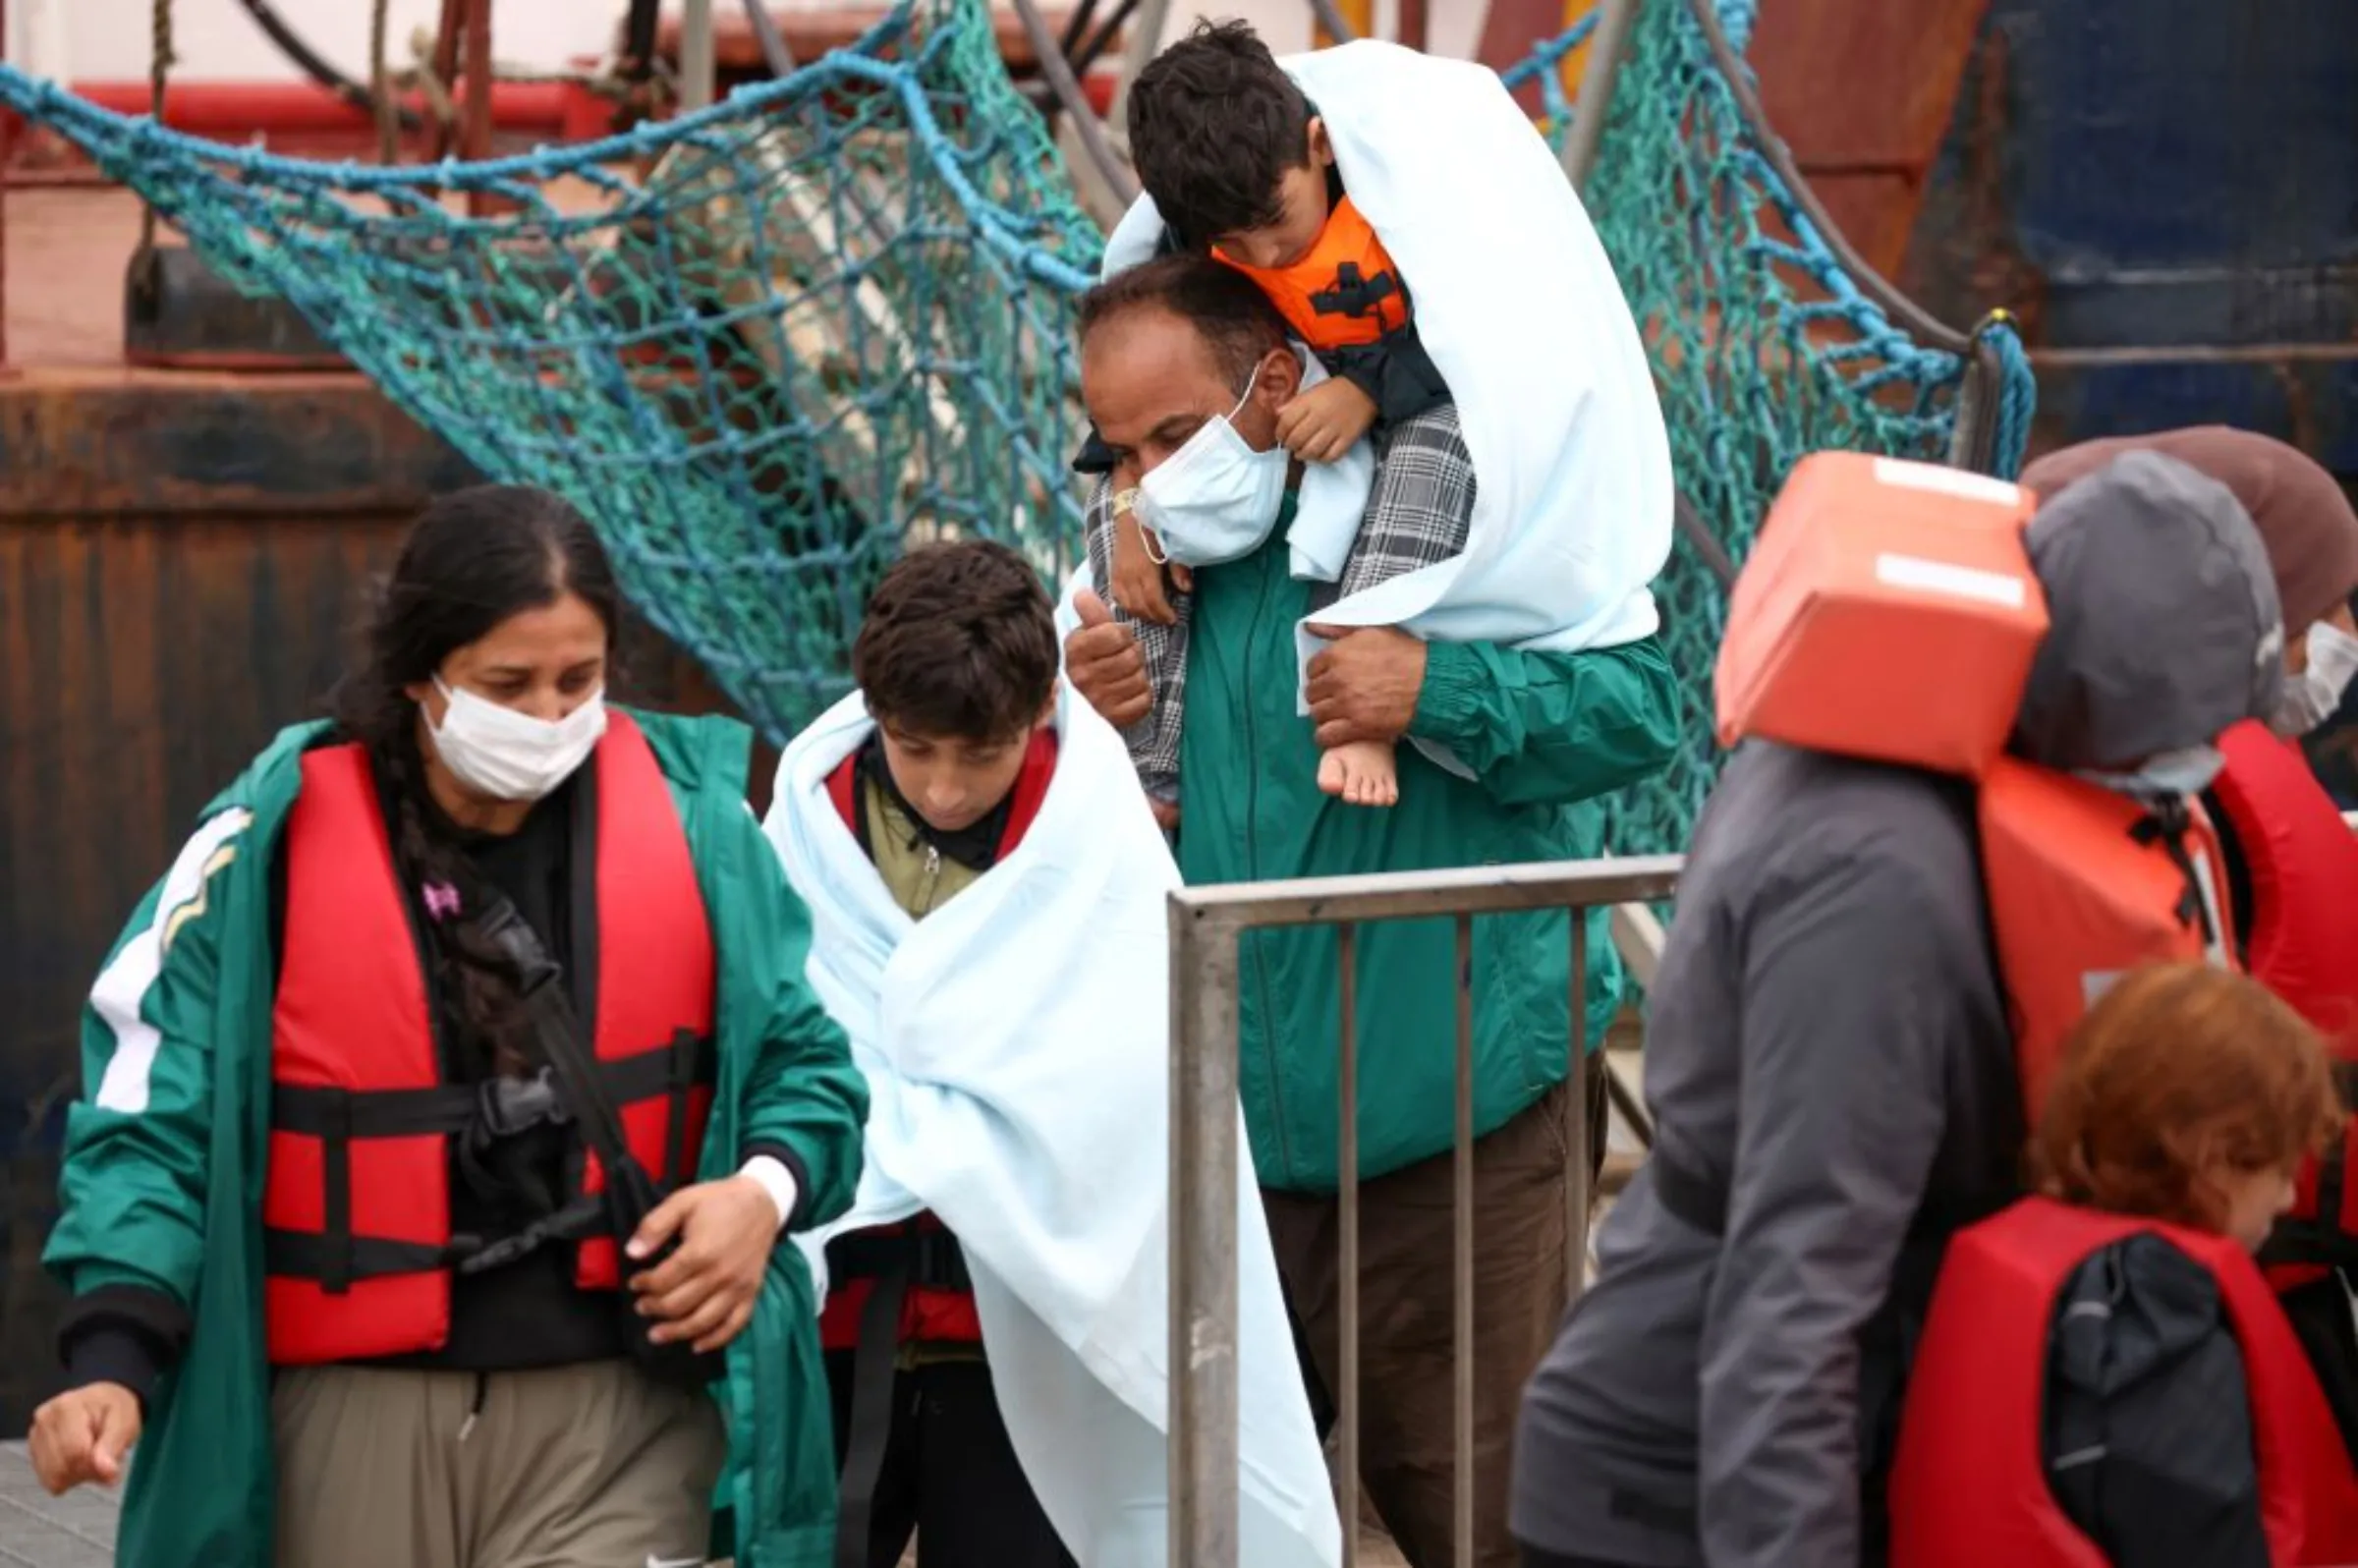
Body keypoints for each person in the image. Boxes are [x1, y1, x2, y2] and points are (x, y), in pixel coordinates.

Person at [26, 485, 869, 1568]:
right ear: (422, 673)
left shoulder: (702, 824)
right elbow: (152, 1114)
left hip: (623, 1424)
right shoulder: (260, 845)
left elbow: (811, 1066)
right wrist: (112, 1356)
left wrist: (764, 1193)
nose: (549, 716)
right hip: (346, 1421)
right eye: (507, 686)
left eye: (581, 680)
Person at [1511, 451, 2284, 1568]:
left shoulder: (1915, 760)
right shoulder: (1876, 875)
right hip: (1677, 1491)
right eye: (2199, 722)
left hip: (1825, 1437)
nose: (2202, 768)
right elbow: (1795, 1291)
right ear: (2117, 702)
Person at [1061, 252, 1682, 1568]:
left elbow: (1644, 710)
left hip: (1456, 1146)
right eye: (1119, 451)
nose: (1149, 477)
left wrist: (1439, 690)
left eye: (1177, 434)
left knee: (1490, 1528)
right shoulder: (1140, 568)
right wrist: (1087, 723)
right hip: (1216, 1160)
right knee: (1215, 1537)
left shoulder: (1447, 507)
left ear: (1277, 383)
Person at [765, 541, 1337, 1567]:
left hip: (1029, 1329)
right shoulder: (805, 823)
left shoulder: (1095, 838)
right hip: (845, 1319)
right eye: (914, 748)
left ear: (1036, 712)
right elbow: (785, 1044)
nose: (943, 789)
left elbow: (1123, 1090)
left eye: (976, 756)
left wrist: (913, 1145)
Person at [1081, 22, 1670, 819]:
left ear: (1320, 145)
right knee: (1120, 509)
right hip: (1249, 929)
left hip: (1420, 409)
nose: (1264, 258)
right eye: (1232, 245)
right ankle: (1156, 774)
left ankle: (1359, 661)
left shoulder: (1410, 205)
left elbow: (1492, 338)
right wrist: (1125, 502)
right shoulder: (1210, 231)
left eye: (1275, 222)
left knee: (1432, 452)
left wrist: (1367, 392)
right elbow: (1138, 390)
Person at [2024, 426, 2358, 1460]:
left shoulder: (2172, 772)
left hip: (2246, 1260)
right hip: (2222, 1287)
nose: (2343, 633)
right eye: (2325, 610)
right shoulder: (2179, 792)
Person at [1889, 962, 2356, 1568]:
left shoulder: (2031, 1265)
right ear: (2214, 1159)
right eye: (2281, 1167)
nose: (2290, 1198)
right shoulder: (2151, 1327)